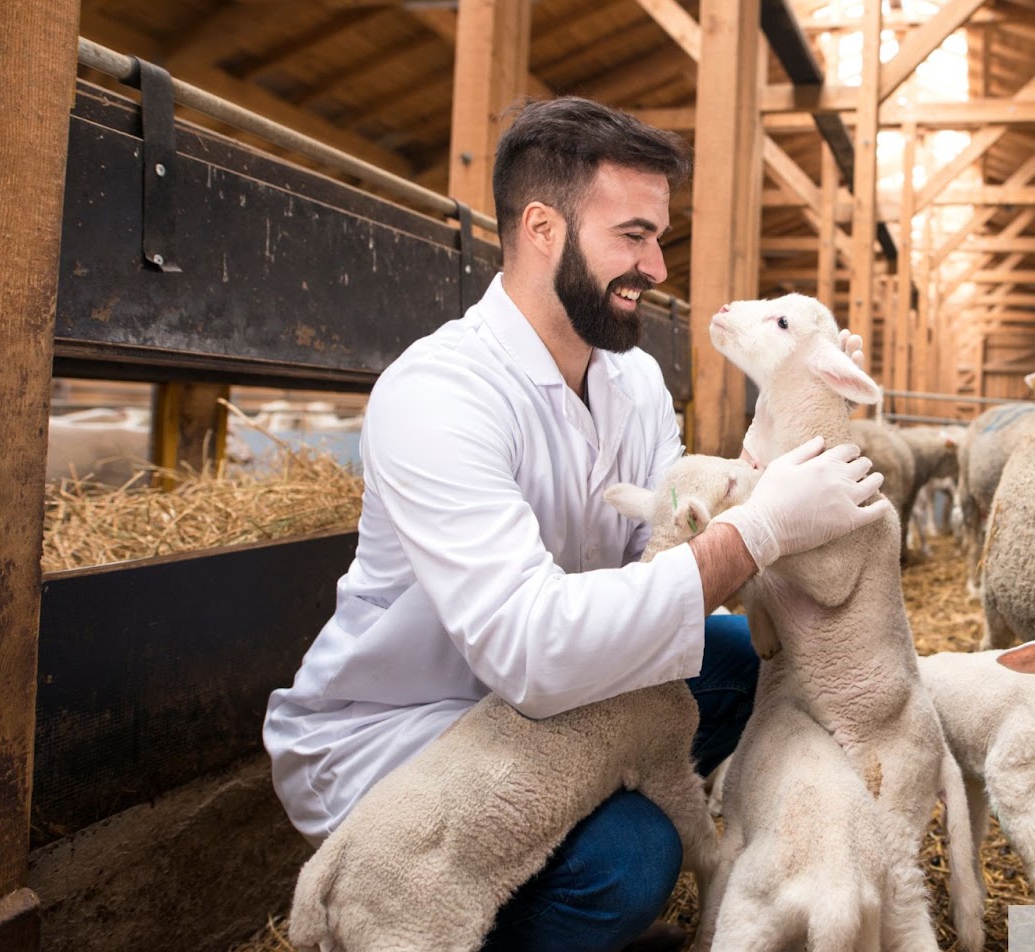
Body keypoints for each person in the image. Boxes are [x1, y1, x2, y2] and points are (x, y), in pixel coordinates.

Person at [262, 97, 889, 952]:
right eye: (633, 236)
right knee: (631, 863)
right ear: (542, 228)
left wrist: (763, 489)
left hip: (569, 705)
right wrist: (760, 532)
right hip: (416, 726)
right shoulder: (439, 394)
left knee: (752, 670)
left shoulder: (630, 383)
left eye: (658, 238)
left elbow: (662, 558)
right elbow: (529, 651)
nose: (658, 267)